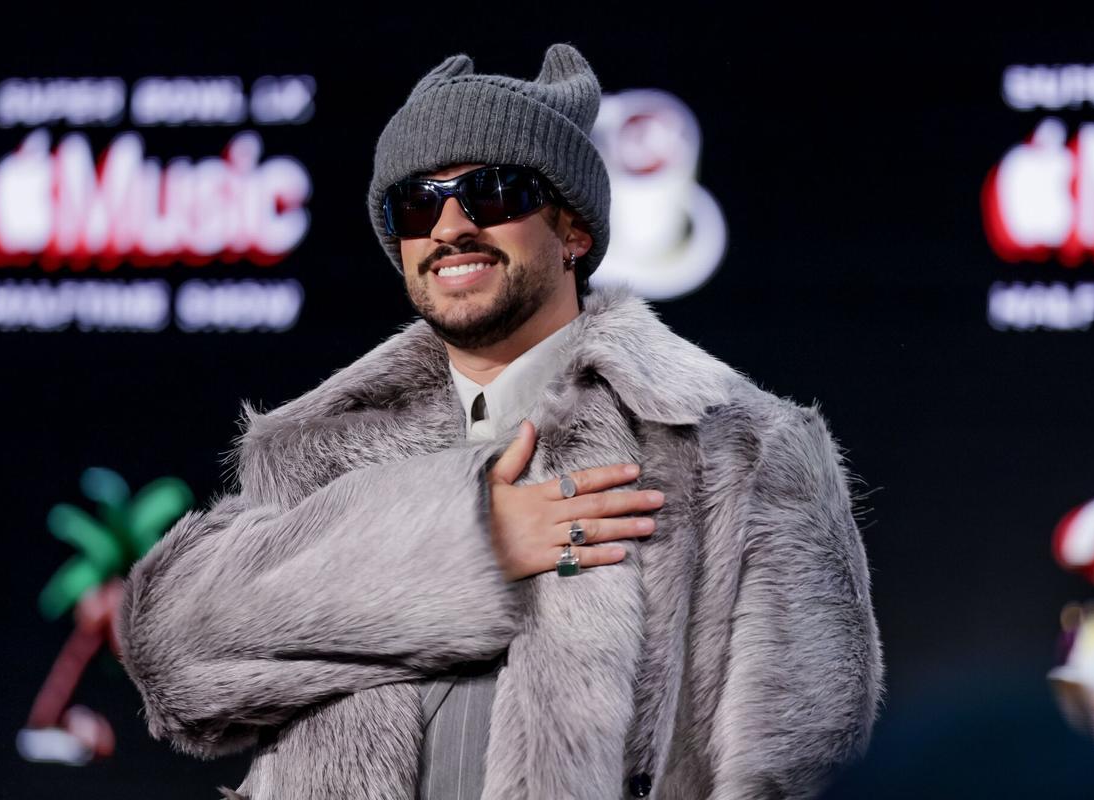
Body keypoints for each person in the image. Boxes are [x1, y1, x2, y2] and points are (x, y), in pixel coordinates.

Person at [119, 43, 883, 800]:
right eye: (417, 204)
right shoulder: (319, 451)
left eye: (493, 193)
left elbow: (800, 763)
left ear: (573, 231)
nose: (450, 226)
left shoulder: (735, 446)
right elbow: (172, 658)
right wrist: (468, 542)